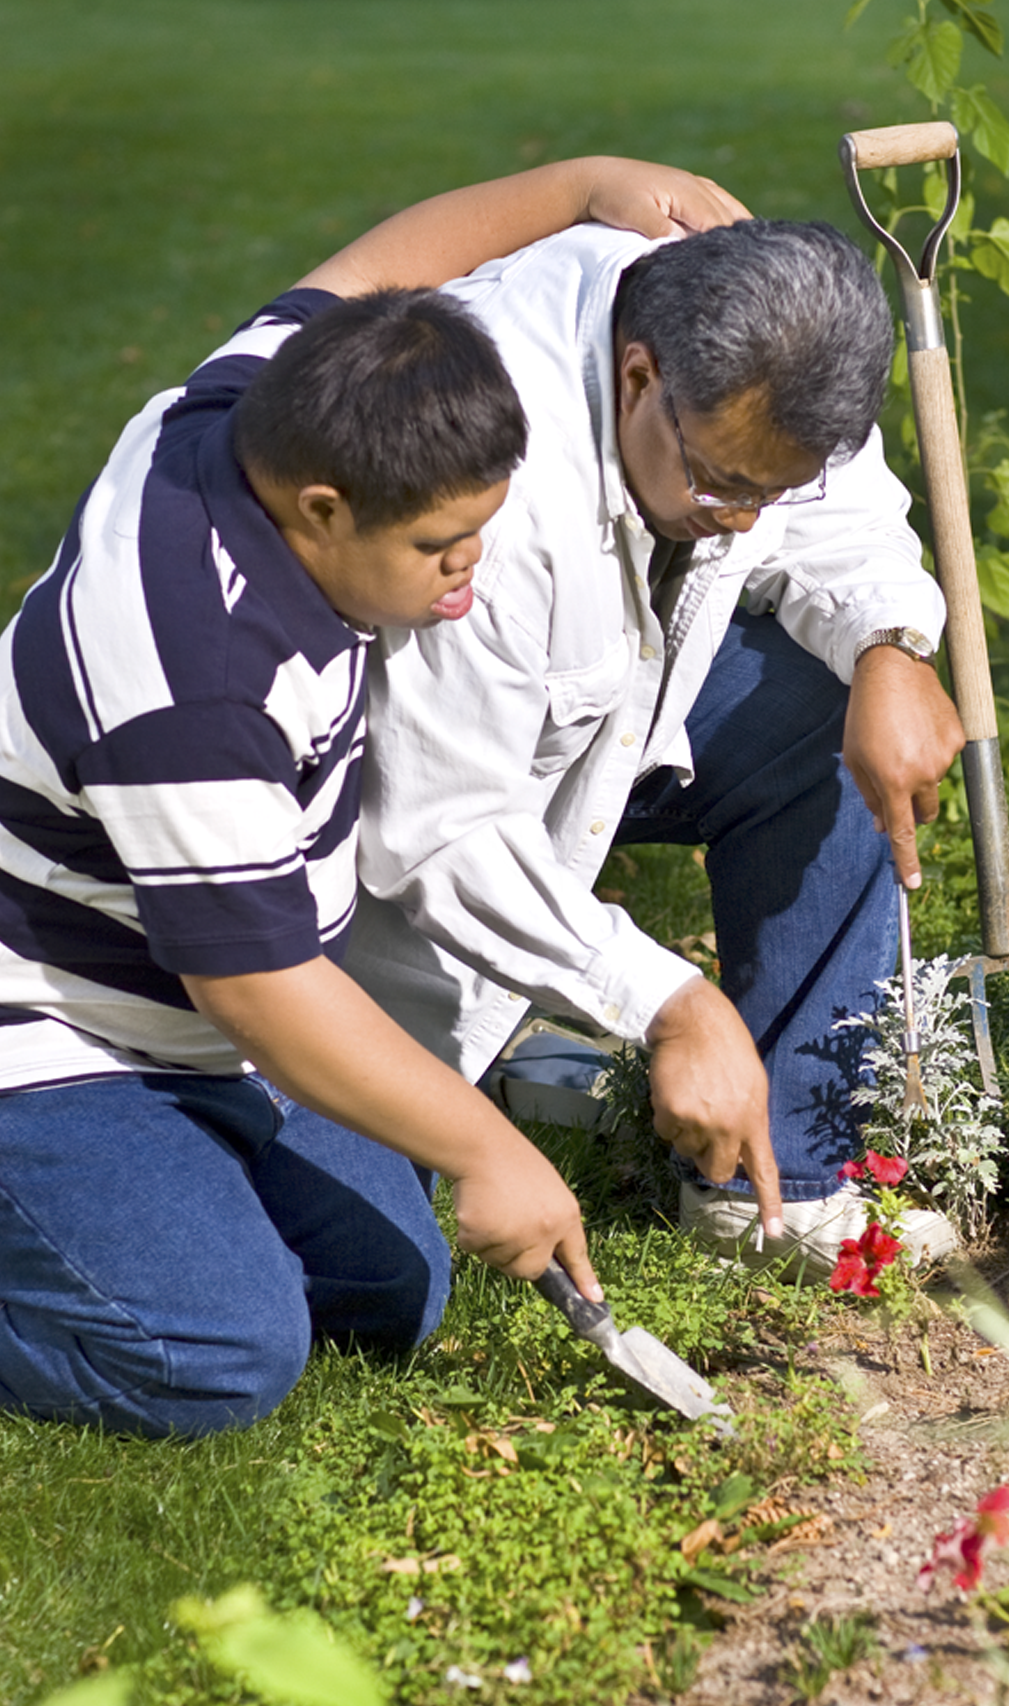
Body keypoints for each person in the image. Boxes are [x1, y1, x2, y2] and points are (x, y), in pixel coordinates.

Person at [0, 157, 748, 1438]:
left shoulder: (258, 407)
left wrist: (584, 186)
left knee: (391, 1290)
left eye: (483, 536)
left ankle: (153, 1189)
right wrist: (484, 1146)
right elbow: (269, 997)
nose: (467, 581)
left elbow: (376, 271)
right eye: (437, 551)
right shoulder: (193, 678)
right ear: (323, 507)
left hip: (202, 1011)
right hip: (55, 1014)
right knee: (217, 1354)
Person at [346, 214, 968, 1279]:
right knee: (375, 1281)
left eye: (776, 489)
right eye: (724, 482)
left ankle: (774, 1192)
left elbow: (845, 521)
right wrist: (665, 1003)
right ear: (637, 377)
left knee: (821, 711)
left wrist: (892, 647)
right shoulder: (487, 470)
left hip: (595, 718)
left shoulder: (770, 358)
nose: (742, 521)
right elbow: (438, 831)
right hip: (373, 852)